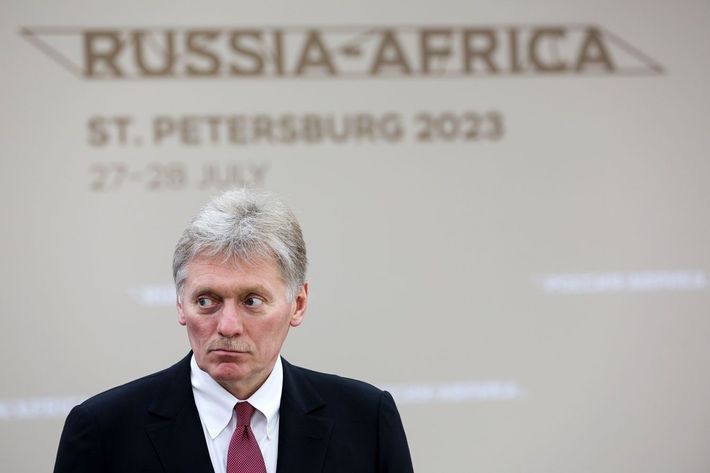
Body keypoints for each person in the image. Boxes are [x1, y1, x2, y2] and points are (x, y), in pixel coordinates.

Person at [53, 189, 414, 473]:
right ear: (180, 304)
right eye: (206, 301)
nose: (227, 326)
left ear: (298, 304)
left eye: (252, 301)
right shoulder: (103, 431)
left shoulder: (366, 420)